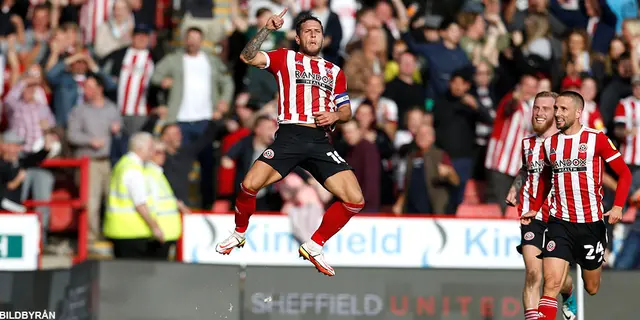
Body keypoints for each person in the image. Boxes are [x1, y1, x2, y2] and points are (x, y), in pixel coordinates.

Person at [215, 10, 365, 277]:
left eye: (316, 31)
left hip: (320, 140)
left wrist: (335, 115)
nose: (312, 35)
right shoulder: (285, 58)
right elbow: (247, 56)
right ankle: (239, 233)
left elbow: (346, 111)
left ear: (323, 38)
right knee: (249, 185)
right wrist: (266, 29)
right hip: (289, 137)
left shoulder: (334, 71)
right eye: (307, 31)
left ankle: (315, 245)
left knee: (355, 200)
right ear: (297, 37)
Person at [521, 91, 632, 319]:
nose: (558, 114)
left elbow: (625, 174)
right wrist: (536, 205)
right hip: (560, 223)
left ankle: (572, 289)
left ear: (578, 112)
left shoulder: (596, 139)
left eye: (563, 109)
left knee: (592, 288)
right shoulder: (550, 143)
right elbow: (545, 177)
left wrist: (619, 206)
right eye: (556, 109)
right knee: (550, 284)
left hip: (591, 224)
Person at [505, 92, 576, 320]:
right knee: (533, 274)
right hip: (531, 215)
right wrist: (515, 187)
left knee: (555, 279)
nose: (539, 112)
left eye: (546, 108)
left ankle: (569, 293)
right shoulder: (528, 144)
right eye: (536, 108)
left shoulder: (570, 143)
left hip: (560, 217)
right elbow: (527, 169)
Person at [103, 132, 164, 259]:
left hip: (119, 230)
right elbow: (140, 203)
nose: (153, 152)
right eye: (150, 148)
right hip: (131, 233)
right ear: (140, 148)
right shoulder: (133, 169)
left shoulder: (122, 164)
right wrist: (155, 227)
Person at [144, 140, 189, 259]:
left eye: (164, 152)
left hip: (167, 232)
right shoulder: (149, 174)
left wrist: (179, 205)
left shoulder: (158, 173)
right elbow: (149, 204)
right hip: (159, 233)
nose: (162, 155)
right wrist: (155, 228)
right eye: (158, 152)